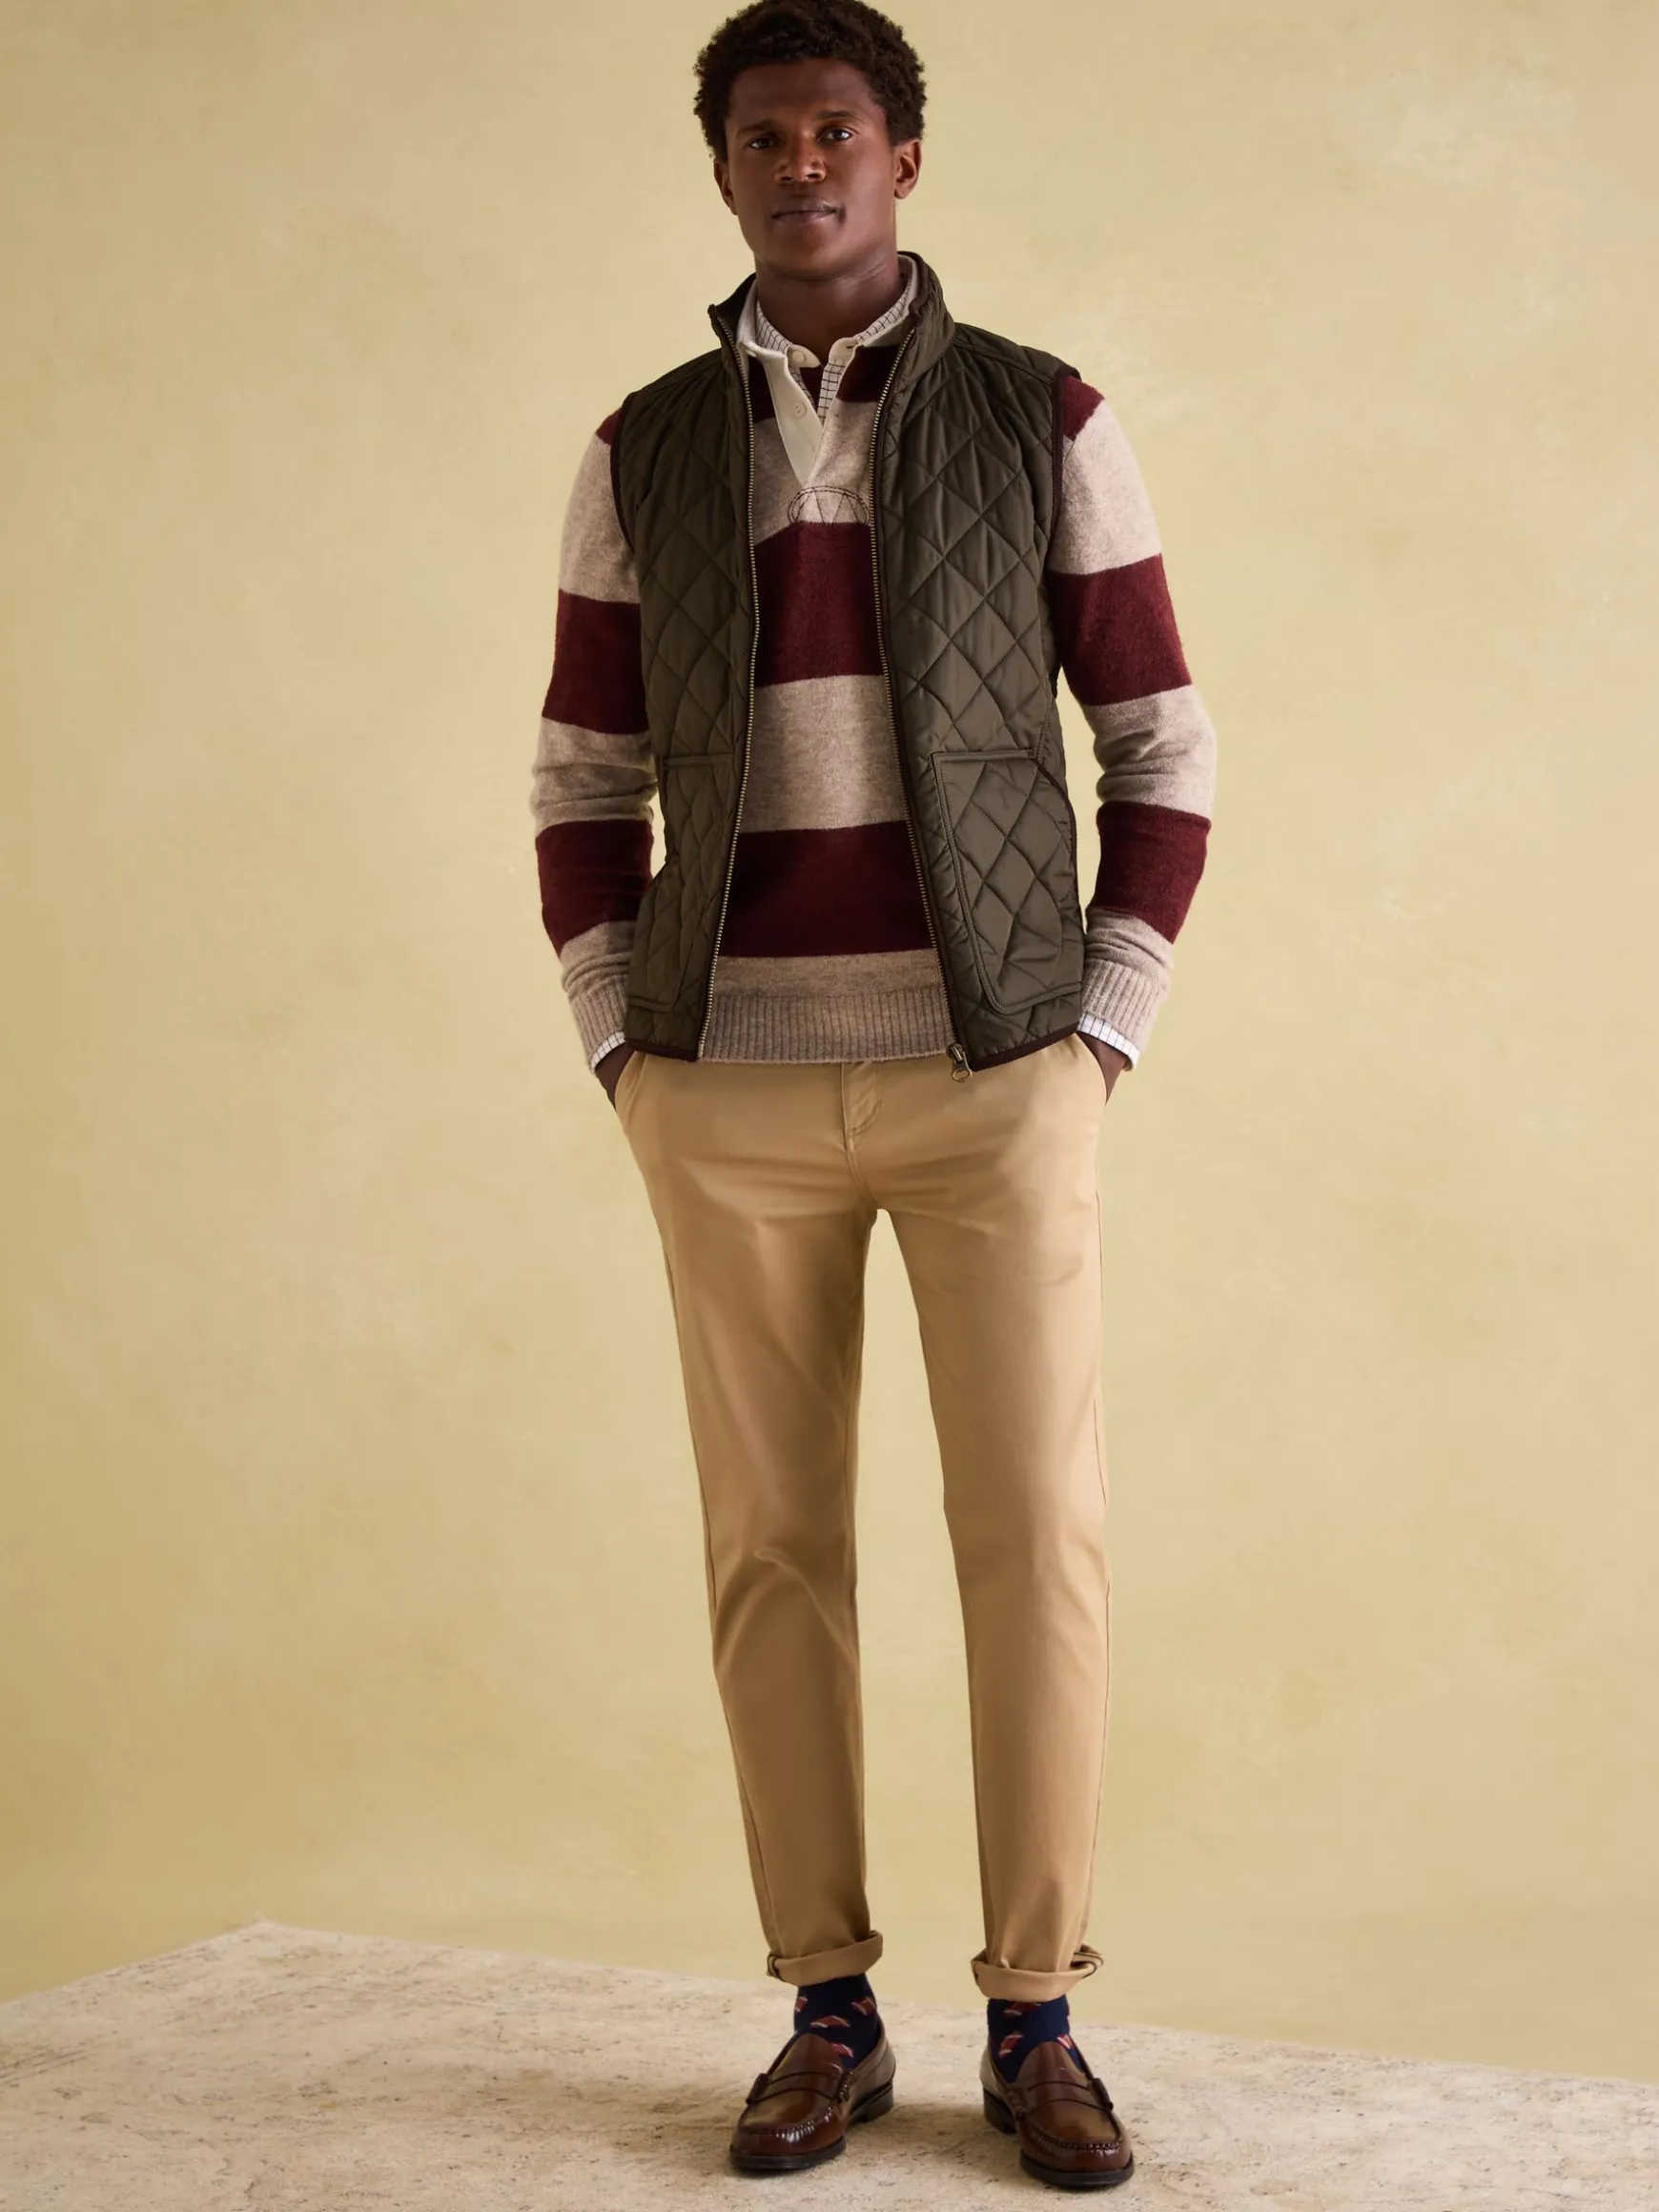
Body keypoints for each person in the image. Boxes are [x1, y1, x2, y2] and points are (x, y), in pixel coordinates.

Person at [528, 0, 1214, 2186]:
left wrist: (1099, 1033)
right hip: (725, 1086)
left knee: (1039, 1541)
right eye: (764, 135)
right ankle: (826, 2007)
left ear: (903, 156)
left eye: (836, 127)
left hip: (996, 1072)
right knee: (772, 1554)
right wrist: (622, 1044)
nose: (802, 163)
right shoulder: (644, 445)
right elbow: (583, 777)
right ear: (725, 169)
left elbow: (1164, 746)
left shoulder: (1040, 413)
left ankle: (1037, 2018)